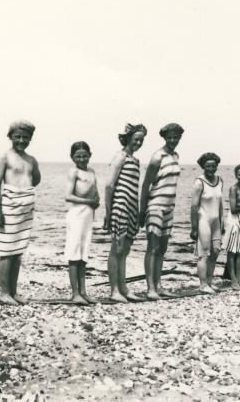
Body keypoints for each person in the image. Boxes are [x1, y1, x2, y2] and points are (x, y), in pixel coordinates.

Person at [0, 120, 41, 305]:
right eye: (17, 136)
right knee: (6, 251)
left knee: (17, 251)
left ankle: (13, 291)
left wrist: (24, 193)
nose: (21, 140)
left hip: (25, 209)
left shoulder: (31, 159)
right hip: (8, 208)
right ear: (10, 136)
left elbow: (35, 178)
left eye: (26, 137)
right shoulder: (4, 157)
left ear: (30, 139)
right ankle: (4, 292)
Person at [139, 123, 184, 300]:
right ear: (165, 138)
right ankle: (150, 288)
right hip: (155, 205)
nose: (173, 140)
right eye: (170, 137)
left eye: (176, 137)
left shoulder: (176, 155)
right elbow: (145, 185)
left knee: (163, 248)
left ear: (179, 138)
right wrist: (142, 211)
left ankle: (159, 285)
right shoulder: (157, 156)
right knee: (153, 247)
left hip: (169, 207)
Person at [103, 123, 147, 303]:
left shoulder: (135, 160)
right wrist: (108, 212)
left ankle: (123, 288)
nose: (138, 143)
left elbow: (133, 189)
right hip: (119, 207)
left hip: (131, 208)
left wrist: (137, 211)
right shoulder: (120, 156)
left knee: (126, 250)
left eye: (141, 140)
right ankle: (114, 290)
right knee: (117, 248)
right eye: (136, 139)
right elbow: (109, 186)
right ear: (128, 138)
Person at [64, 141, 100, 304]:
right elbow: (68, 196)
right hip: (76, 215)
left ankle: (84, 292)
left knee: (84, 253)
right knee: (74, 253)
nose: (82, 158)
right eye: (78, 156)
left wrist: (96, 201)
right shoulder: (74, 172)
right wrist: (88, 202)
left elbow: (95, 193)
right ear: (72, 157)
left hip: (88, 216)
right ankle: (75, 293)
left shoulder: (92, 171)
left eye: (85, 155)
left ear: (90, 155)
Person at [190, 152, 224, 294]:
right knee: (204, 253)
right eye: (207, 166)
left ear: (217, 166)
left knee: (215, 252)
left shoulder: (220, 180)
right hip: (203, 220)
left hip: (216, 221)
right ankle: (203, 285)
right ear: (203, 166)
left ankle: (210, 281)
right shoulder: (199, 182)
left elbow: (220, 204)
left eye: (213, 166)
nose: (211, 168)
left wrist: (222, 224)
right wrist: (194, 227)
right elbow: (194, 207)